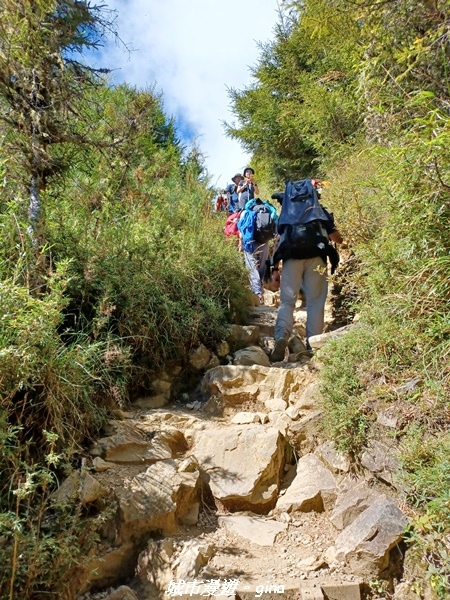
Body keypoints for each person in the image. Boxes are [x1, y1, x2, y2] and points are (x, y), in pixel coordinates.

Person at [270, 178, 343, 361]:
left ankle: (281, 336)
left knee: (287, 302)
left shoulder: (286, 215)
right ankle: (313, 346)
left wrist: (275, 267)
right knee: (315, 303)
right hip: (316, 257)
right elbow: (337, 238)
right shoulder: (318, 210)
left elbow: (279, 241)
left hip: (291, 258)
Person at [237, 197, 277, 304]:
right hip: (264, 241)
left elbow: (241, 229)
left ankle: (258, 294)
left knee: (252, 267)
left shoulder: (245, 212)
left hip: (250, 243)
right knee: (262, 266)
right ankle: (260, 288)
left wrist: (240, 243)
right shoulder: (268, 210)